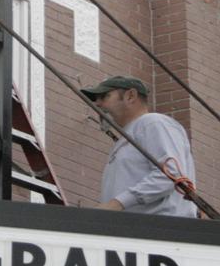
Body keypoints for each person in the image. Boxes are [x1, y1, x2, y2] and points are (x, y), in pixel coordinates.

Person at [83, 75, 199, 216]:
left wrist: (117, 203)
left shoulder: (153, 123)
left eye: (104, 96)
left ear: (130, 96)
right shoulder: (133, 133)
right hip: (138, 229)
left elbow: (170, 176)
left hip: (160, 228)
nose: (98, 104)